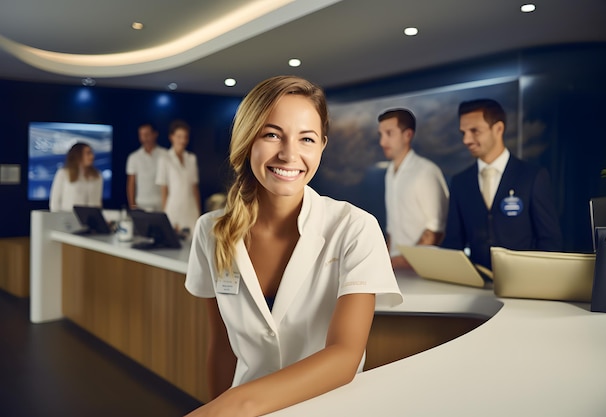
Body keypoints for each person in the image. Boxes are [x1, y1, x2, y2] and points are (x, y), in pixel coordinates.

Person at [185, 75, 402, 417]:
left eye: (306, 139)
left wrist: (233, 407)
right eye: (272, 134)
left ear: (321, 146)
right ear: (247, 140)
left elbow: (344, 357)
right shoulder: (210, 231)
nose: (289, 154)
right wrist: (220, 406)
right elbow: (224, 346)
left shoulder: (355, 228)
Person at [442, 98, 562, 270]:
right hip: (476, 286)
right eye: (463, 133)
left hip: (523, 284)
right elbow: (453, 243)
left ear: (498, 129)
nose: (466, 140)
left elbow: (550, 241)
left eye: (474, 131)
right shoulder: (460, 182)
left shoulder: (532, 177)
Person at [378, 108, 449, 269]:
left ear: (408, 135)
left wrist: (400, 263)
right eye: (380, 135)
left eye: (389, 133)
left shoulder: (426, 171)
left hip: (422, 270)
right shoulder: (389, 173)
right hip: (395, 270)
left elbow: (436, 230)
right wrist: (385, 265)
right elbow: (392, 231)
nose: (382, 142)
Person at [155, 119, 201, 233]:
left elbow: (195, 188)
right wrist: (165, 213)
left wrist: (199, 212)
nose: (183, 140)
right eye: (179, 136)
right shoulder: (164, 159)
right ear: (172, 137)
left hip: (191, 209)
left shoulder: (191, 158)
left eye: (185, 137)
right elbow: (163, 189)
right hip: (173, 208)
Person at [49, 142, 102, 212]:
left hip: (90, 219)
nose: (92, 156)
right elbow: (54, 202)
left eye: (91, 153)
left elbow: (97, 202)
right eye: (88, 153)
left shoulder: (97, 176)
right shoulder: (63, 173)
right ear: (78, 155)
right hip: (68, 219)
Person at [125, 122, 166, 211]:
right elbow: (131, 183)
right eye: (142, 135)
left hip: (160, 204)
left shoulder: (165, 155)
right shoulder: (134, 157)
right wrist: (132, 206)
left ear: (155, 134)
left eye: (147, 134)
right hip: (141, 204)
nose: (145, 138)